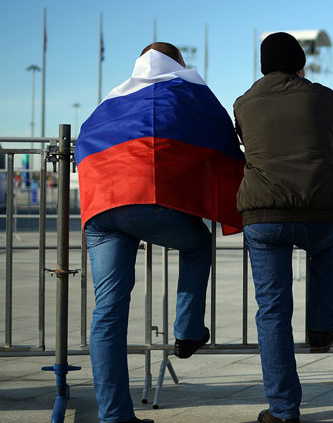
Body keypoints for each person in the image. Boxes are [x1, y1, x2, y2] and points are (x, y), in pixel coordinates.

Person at [75, 42, 244, 423]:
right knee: (199, 242)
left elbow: (85, 145)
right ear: (178, 63)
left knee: (108, 312)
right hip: (148, 200)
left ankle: (115, 416)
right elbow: (220, 140)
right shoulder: (186, 90)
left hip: (101, 207)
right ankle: (187, 330)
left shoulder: (112, 99)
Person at [234, 32, 333, 423]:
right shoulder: (321, 96)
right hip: (317, 209)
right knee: (324, 251)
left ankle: (283, 411)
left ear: (264, 67)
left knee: (271, 310)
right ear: (301, 65)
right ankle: (320, 328)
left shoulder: (244, 103)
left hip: (264, 215)